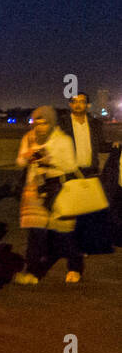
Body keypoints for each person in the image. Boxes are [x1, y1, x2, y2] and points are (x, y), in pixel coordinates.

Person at [13, 106, 83, 283]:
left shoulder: (63, 140)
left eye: (44, 123)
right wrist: (28, 156)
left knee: (65, 231)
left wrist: (49, 159)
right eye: (37, 123)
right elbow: (20, 161)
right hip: (34, 189)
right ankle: (32, 272)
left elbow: (70, 166)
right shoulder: (29, 138)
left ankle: (75, 266)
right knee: (36, 233)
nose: (40, 127)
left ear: (52, 123)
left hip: (57, 189)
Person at [60, 93, 116, 256]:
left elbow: (100, 146)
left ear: (87, 105)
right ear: (70, 105)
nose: (78, 104)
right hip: (70, 172)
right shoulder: (63, 123)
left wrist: (114, 145)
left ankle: (82, 245)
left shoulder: (95, 124)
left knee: (87, 212)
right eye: (75, 102)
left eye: (82, 101)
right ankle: (69, 246)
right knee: (71, 212)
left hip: (90, 172)